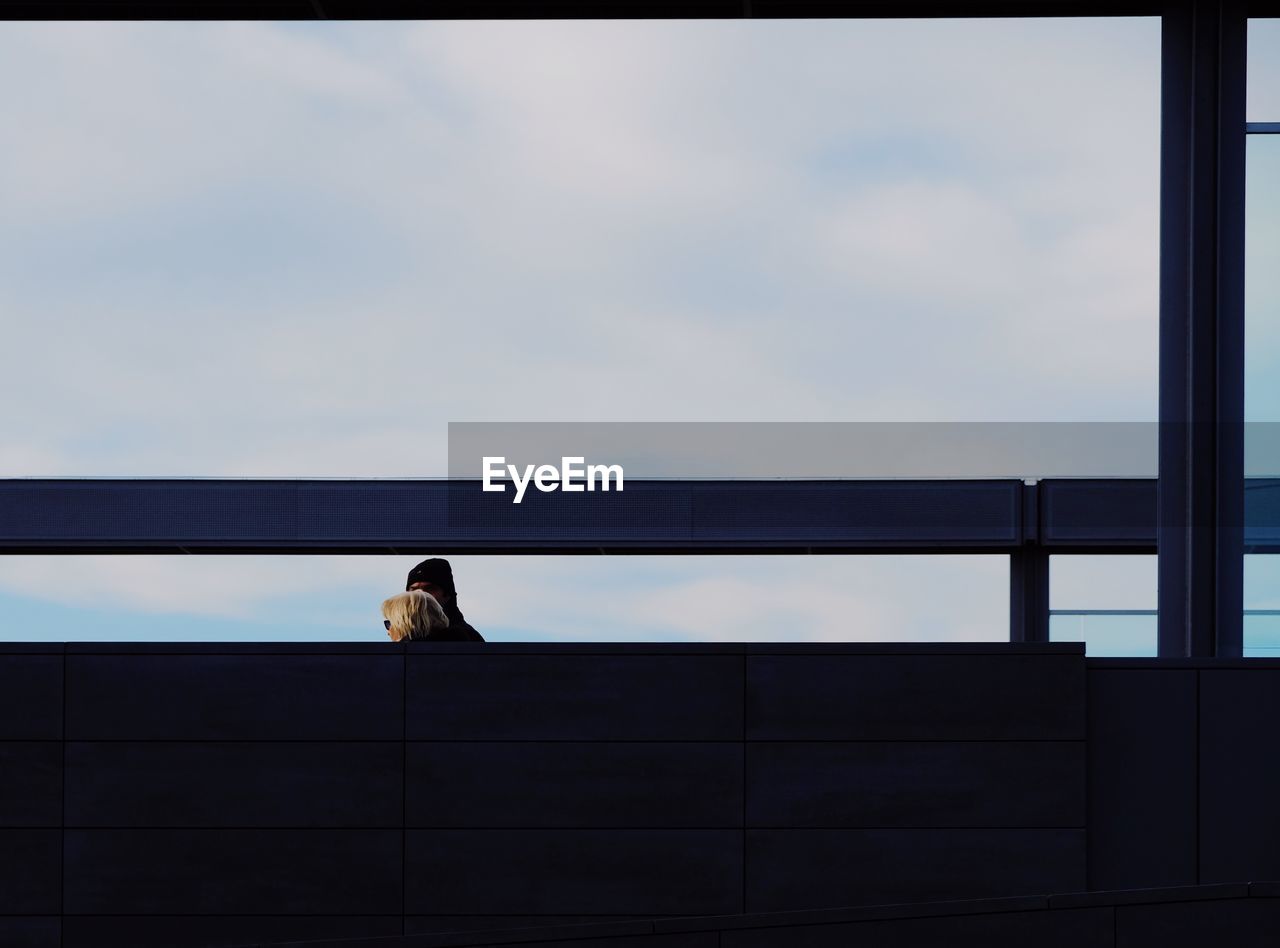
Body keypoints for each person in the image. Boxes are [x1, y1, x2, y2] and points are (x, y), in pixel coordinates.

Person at [405, 557, 485, 642]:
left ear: (447, 595)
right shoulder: (405, 635)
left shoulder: (467, 638)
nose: (420, 595)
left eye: (429, 589)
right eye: (414, 590)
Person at [381, 589, 452, 642]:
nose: (388, 632)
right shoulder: (455, 650)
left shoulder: (407, 658)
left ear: (404, 623)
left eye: (389, 623)